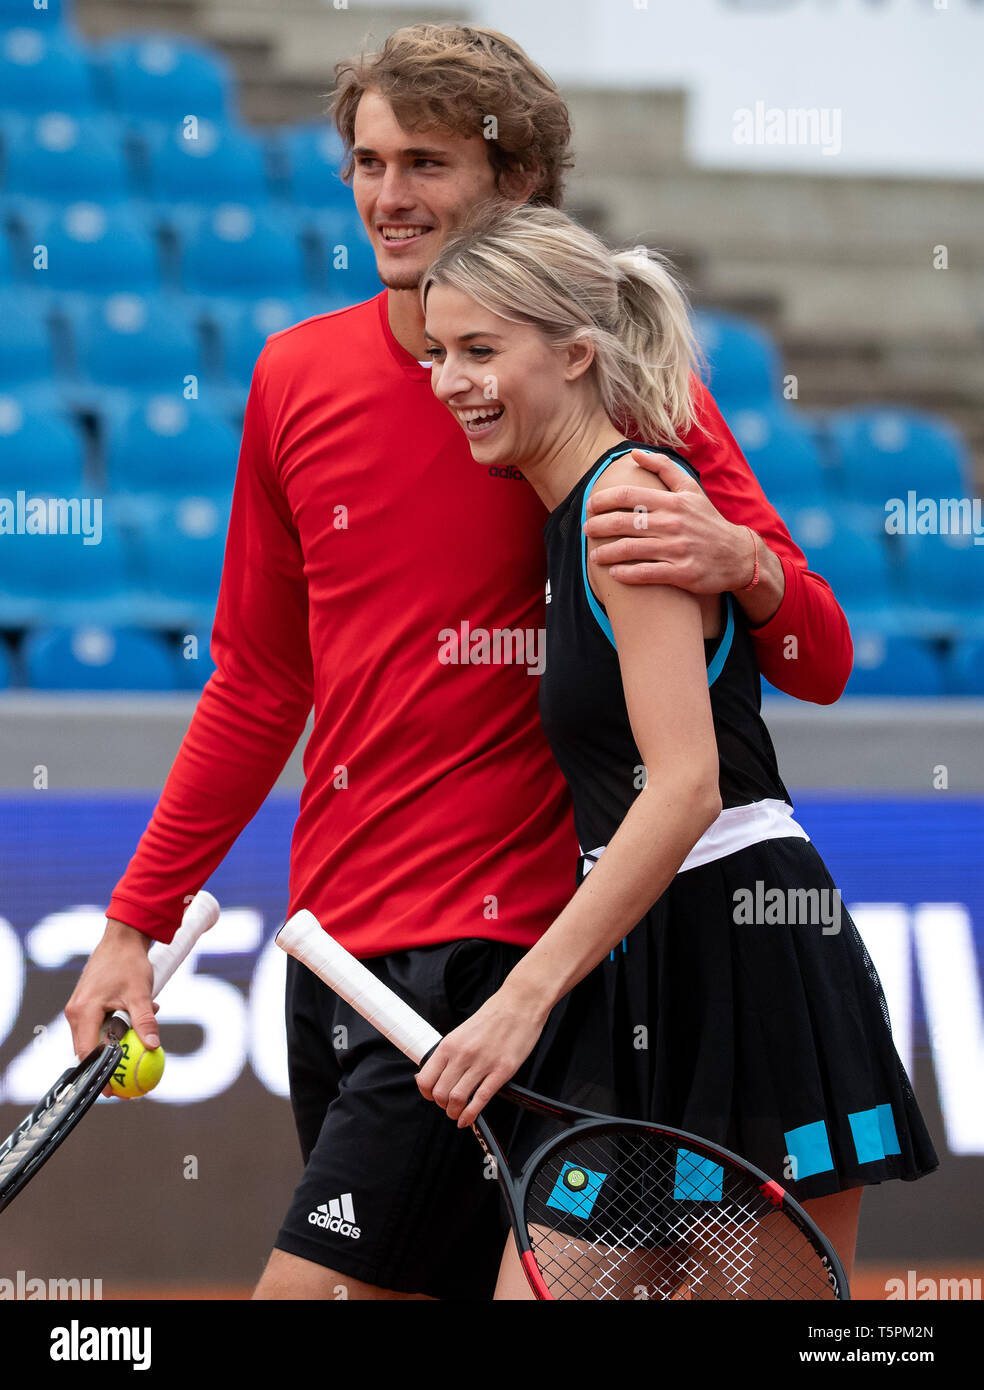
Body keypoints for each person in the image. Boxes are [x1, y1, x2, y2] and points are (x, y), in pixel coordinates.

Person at [64, 24, 854, 1302]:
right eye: (366, 162)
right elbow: (260, 683)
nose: (387, 197)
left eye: (424, 162)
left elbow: (818, 655)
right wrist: (133, 924)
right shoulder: (293, 377)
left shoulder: (615, 392)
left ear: (519, 182)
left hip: (513, 963)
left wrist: (746, 563)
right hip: (331, 954)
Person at [414, 198, 939, 1299]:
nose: (449, 379)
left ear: (574, 352)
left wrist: (522, 998)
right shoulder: (576, 514)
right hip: (637, 957)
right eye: (436, 352)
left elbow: (687, 785)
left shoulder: (629, 505)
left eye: (478, 350)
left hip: (739, 946)